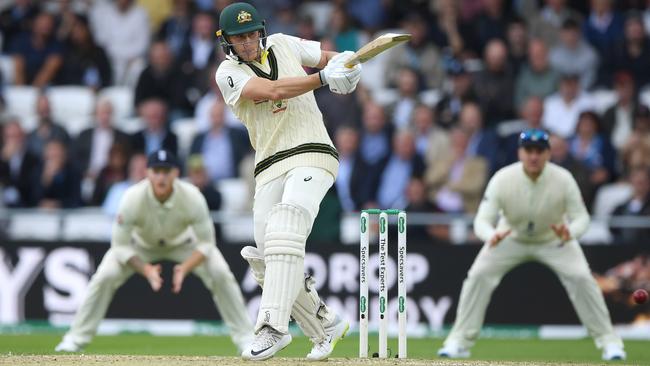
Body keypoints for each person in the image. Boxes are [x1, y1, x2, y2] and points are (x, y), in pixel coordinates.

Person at [214, 2, 361, 360]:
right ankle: (325, 325)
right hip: (268, 166)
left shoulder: (284, 42)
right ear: (227, 42)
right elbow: (272, 91)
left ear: (260, 31)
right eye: (240, 38)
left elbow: (328, 58)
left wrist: (348, 65)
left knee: (286, 226)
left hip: (313, 151)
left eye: (251, 34)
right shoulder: (227, 72)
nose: (248, 43)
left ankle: (272, 327)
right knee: (269, 257)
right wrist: (325, 78)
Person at [437, 128, 626, 361]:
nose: (534, 156)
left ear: (548, 154)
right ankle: (459, 340)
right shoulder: (503, 178)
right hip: (509, 237)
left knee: (582, 278)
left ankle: (609, 342)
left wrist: (570, 232)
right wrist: (490, 235)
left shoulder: (563, 179)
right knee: (478, 276)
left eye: (539, 151)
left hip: (554, 240)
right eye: (529, 151)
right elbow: (482, 220)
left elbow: (582, 218)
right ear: (520, 153)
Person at [54, 149, 254, 353]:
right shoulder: (132, 197)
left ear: (175, 173)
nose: (161, 177)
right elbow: (120, 246)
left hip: (184, 245)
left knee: (220, 273)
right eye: (156, 171)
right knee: (105, 275)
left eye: (166, 171)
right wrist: (146, 270)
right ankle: (75, 339)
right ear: (147, 173)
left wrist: (184, 268)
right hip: (140, 247)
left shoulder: (192, 196)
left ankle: (246, 339)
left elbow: (206, 244)